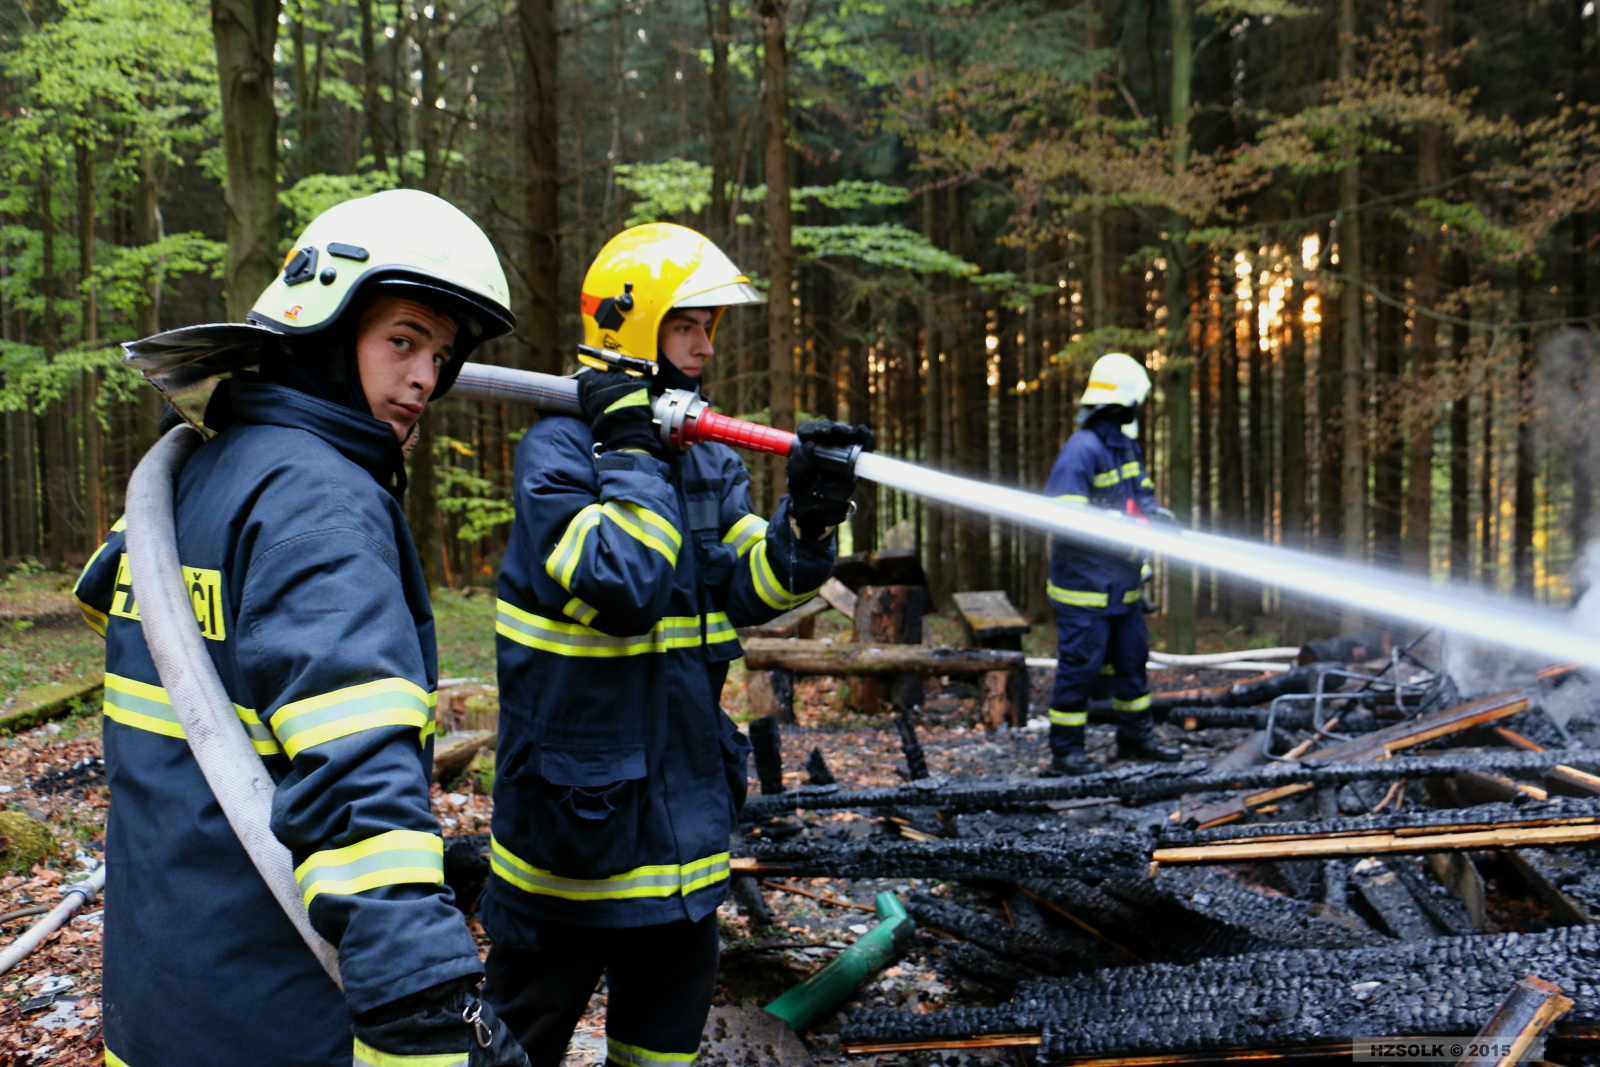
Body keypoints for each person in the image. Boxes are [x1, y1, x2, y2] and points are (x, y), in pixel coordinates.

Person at [74, 190, 531, 1067]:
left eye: (439, 354)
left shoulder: (190, 478)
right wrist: (423, 999)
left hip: (158, 1002)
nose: (425, 378)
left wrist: (424, 863)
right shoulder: (321, 504)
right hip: (276, 1014)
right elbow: (350, 772)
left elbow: (150, 640)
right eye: (403, 339)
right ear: (324, 328)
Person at [482, 222, 872, 1066]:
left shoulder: (703, 460)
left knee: (659, 1056)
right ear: (632, 329)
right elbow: (628, 582)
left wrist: (806, 519)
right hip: (573, 848)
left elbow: (747, 585)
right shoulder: (557, 455)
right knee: (513, 1055)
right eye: (684, 325)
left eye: (708, 328)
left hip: (684, 845)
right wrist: (628, 448)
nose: (702, 347)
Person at [1040, 352, 1182, 777]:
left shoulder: (1124, 446)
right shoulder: (1081, 450)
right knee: (1080, 671)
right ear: (1121, 402)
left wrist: (1155, 516)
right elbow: (1060, 516)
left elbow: (1142, 493)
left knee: (1132, 664)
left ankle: (1135, 737)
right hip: (1084, 590)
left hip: (1123, 586)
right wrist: (1112, 521)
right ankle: (1066, 752)